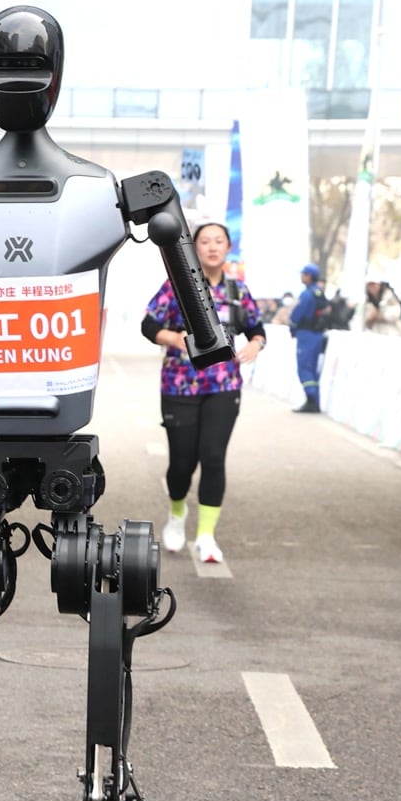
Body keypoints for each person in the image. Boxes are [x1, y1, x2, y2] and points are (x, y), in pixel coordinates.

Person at [142, 222, 266, 565]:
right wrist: (176, 339)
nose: (212, 247)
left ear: (228, 247)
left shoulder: (237, 290)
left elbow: (256, 328)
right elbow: (149, 325)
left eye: (219, 241)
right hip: (180, 384)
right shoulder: (176, 287)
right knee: (182, 463)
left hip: (224, 385)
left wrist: (255, 345)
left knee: (213, 457)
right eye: (205, 241)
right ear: (194, 248)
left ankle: (206, 536)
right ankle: (177, 513)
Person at [288, 262, 324, 412]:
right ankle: (314, 401)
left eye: (304, 274)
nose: (302, 277)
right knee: (313, 368)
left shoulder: (307, 294)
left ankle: (311, 399)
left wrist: (292, 327)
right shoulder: (320, 293)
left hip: (306, 335)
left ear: (309, 276)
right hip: (318, 334)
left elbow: (297, 314)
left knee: (304, 367)